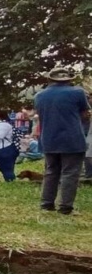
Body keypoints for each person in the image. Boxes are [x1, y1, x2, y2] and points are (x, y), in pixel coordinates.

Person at [34, 65, 91, 214]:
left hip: (49, 139)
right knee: (70, 173)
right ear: (68, 79)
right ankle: (65, 207)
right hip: (72, 139)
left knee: (51, 171)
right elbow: (85, 114)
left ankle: (46, 204)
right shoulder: (78, 92)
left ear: (50, 79)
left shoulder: (39, 95)